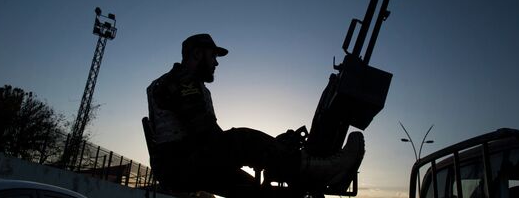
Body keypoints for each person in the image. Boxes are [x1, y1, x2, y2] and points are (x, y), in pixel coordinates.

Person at [146, 33, 364, 196]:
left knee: (254, 191)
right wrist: (267, 150)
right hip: (181, 165)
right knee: (244, 138)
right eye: (212, 56)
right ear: (196, 54)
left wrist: (272, 149)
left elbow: (210, 141)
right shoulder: (182, 81)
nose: (216, 62)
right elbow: (208, 137)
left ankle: (303, 167)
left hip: (184, 165)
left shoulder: (185, 83)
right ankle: (318, 169)